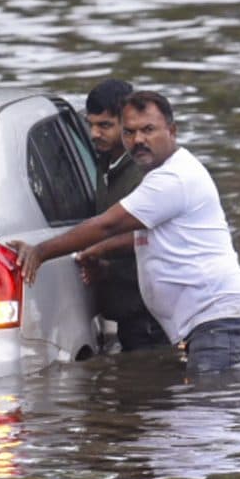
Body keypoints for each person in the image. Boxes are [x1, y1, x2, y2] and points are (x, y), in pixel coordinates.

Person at [5, 89, 240, 371]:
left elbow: (109, 224)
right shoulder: (165, 174)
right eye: (129, 132)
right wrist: (98, 251)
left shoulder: (172, 179)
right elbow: (142, 235)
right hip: (218, 323)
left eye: (148, 130)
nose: (138, 140)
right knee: (216, 398)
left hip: (219, 323)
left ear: (172, 131)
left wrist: (40, 252)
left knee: (209, 399)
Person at [77, 78, 168, 352]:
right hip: (129, 311)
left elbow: (150, 237)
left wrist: (102, 260)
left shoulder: (145, 172)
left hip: (150, 314)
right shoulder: (104, 161)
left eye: (104, 126)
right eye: (91, 124)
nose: (94, 134)